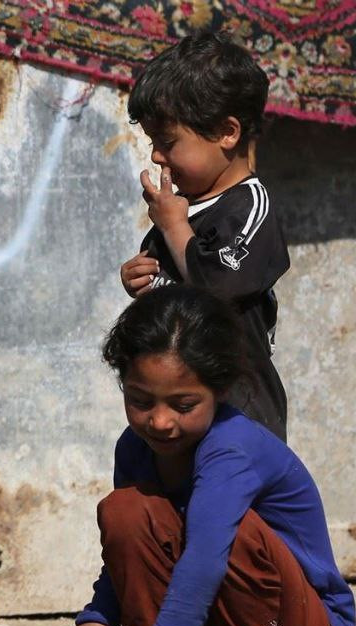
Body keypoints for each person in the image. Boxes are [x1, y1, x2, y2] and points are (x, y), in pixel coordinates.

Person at [30, 286, 354, 626]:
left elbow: (203, 564)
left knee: (232, 533)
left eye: (183, 406)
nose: (160, 422)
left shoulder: (232, 450)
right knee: (125, 509)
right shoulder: (135, 448)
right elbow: (130, 547)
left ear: (219, 391)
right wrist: (98, 621)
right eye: (141, 401)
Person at [118, 32, 291, 440]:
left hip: (238, 417)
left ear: (227, 132)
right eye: (153, 143)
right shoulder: (183, 208)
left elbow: (218, 285)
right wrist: (138, 279)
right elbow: (170, 288)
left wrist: (173, 225)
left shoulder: (250, 207)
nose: (156, 155)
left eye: (167, 142)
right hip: (176, 413)